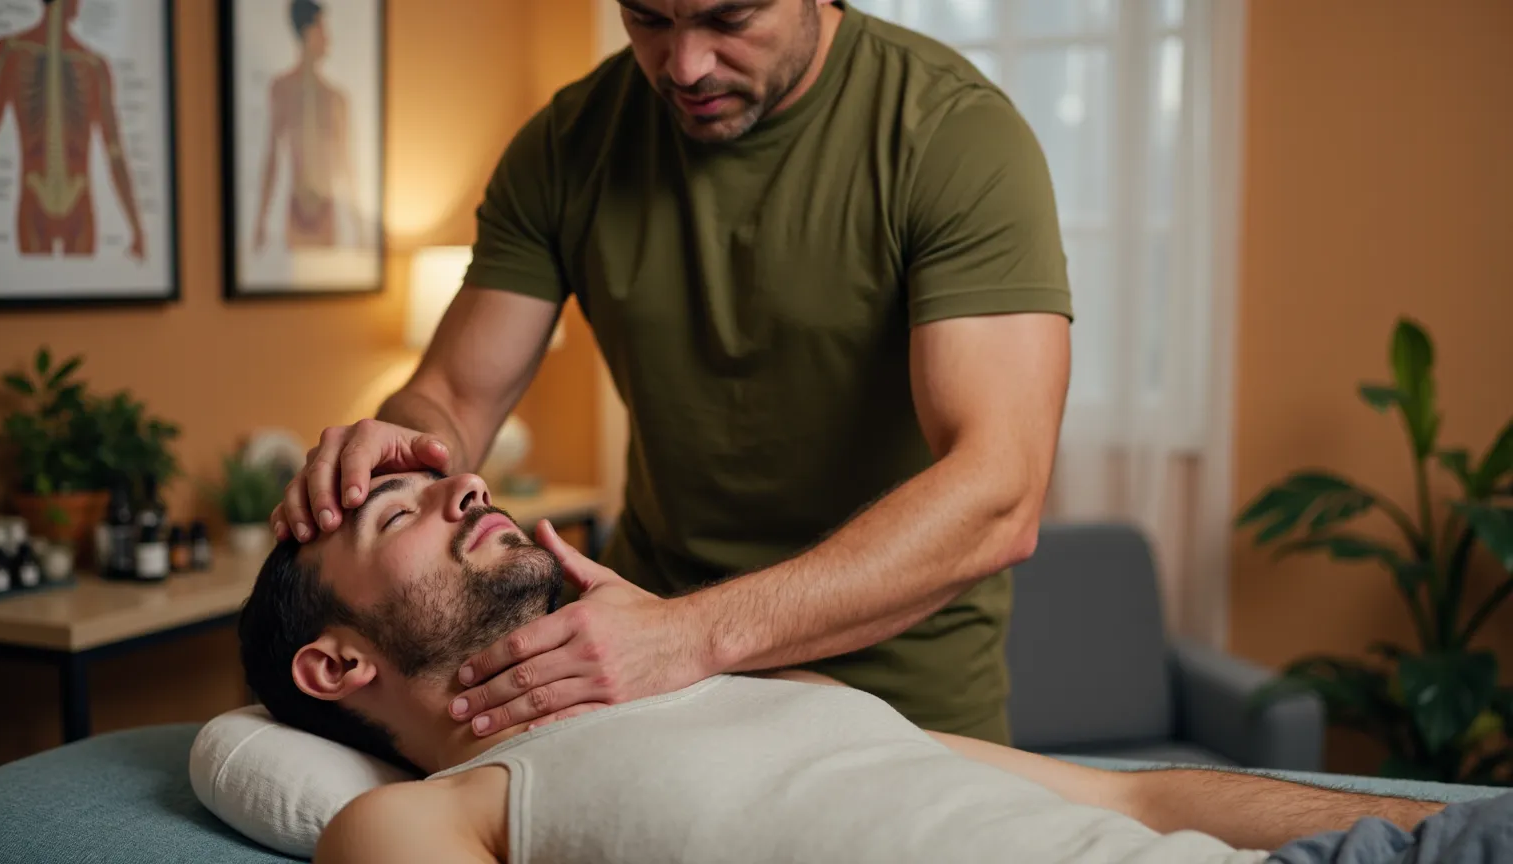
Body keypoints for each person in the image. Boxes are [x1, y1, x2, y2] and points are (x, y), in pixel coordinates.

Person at [271, 0, 1072, 749]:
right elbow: (451, 395)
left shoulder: (954, 136)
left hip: (896, 700)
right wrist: (398, 454)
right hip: (637, 674)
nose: (684, 66)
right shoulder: (567, 145)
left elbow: (999, 488)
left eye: (729, 17)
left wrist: (690, 635)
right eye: (648, 18)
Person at [241, 470, 1500, 864]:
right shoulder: (422, 816)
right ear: (335, 664)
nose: (467, 481)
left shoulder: (759, 691)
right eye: (396, 515)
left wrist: (1420, 821)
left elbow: (1135, 796)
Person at [0, 0, 146, 259]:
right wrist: (137, 229)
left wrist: (137, 227)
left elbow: (115, 151)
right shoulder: (9, 52)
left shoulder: (94, 65)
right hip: (37, 197)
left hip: (77, 200)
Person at [252, 0, 356, 252]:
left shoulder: (335, 98)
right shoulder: (283, 89)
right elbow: (272, 157)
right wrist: (260, 221)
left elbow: (346, 163)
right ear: (308, 33)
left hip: (326, 212)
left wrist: (358, 226)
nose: (327, 39)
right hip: (297, 210)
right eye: (322, 30)